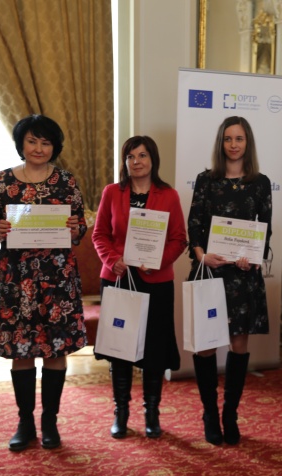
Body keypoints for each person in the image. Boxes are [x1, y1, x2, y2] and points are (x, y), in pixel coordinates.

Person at [0, 115, 87, 452]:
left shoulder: (66, 181)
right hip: (15, 278)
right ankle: (25, 422)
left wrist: (75, 229)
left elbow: (79, 227)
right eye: (32, 141)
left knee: (56, 349)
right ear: (21, 144)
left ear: (55, 147)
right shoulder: (0, 181)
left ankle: (50, 421)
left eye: (46, 142)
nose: (39, 148)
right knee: (21, 350)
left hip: (57, 278)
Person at [92, 136, 187, 439]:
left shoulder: (168, 195)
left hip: (156, 282)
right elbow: (99, 234)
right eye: (131, 156)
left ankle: (151, 412)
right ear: (125, 162)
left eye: (143, 155)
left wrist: (156, 261)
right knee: (119, 347)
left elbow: (179, 239)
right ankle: (121, 412)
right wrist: (113, 259)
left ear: (153, 159)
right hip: (118, 279)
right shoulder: (112, 192)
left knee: (155, 349)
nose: (136, 162)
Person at [187, 116, 272, 446]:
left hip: (242, 276)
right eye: (228, 138)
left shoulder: (260, 183)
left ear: (248, 143)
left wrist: (252, 256)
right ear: (220, 143)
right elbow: (194, 224)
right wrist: (201, 255)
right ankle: (209, 413)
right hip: (210, 272)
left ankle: (230, 414)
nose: (233, 144)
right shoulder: (206, 180)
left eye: (239, 138)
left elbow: (264, 229)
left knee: (239, 345)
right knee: (206, 345)